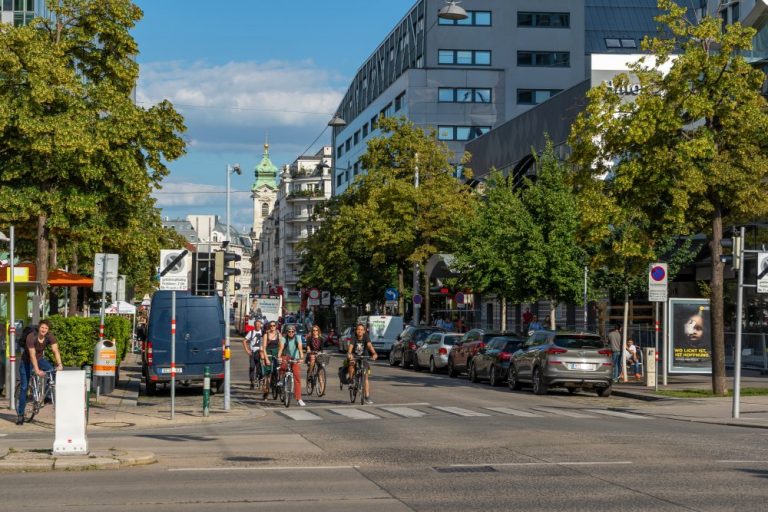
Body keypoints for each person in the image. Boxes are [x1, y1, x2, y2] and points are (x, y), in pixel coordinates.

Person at [17, 320, 63, 425]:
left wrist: (59, 364)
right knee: (24, 387)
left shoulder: (49, 337)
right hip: (26, 361)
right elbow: (32, 355)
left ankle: (47, 395)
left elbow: (55, 350)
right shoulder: (31, 337)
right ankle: (20, 415)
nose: (44, 330)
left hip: (40, 359)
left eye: (46, 328)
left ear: (48, 330)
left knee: (53, 372)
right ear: (39, 327)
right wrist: (37, 370)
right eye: (42, 327)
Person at [345, 323, 378, 404]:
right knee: (351, 363)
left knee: (366, 377)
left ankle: (367, 396)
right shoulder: (353, 336)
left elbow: (369, 345)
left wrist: (374, 353)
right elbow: (351, 345)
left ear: (364, 331)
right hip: (354, 356)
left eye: (361, 330)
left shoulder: (366, 336)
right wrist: (349, 353)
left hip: (364, 357)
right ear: (356, 331)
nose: (360, 331)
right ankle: (351, 380)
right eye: (358, 329)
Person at [277, 325, 305, 406]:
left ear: (295, 332)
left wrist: (301, 358)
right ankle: (281, 380)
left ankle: (299, 399)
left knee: (297, 377)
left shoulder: (298, 338)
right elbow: (281, 349)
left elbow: (300, 349)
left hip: (295, 358)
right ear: (287, 332)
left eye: (292, 331)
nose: (291, 333)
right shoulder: (284, 338)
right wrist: (279, 357)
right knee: (282, 366)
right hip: (286, 356)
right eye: (289, 331)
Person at [260, 321, 282, 399]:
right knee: (268, 374)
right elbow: (264, 348)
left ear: (276, 326)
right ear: (269, 327)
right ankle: (266, 391)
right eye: (271, 326)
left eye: (274, 326)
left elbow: (281, 346)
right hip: (268, 354)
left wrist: (279, 355)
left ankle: (278, 384)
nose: (272, 327)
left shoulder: (279, 335)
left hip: (276, 354)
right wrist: (266, 359)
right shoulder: (266, 335)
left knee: (278, 371)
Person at [241, 319, 264, 389]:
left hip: (260, 352)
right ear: (254, 325)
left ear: (261, 325)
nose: (257, 326)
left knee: (259, 367)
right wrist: (247, 350)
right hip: (253, 353)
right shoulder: (251, 332)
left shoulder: (263, 332)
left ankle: (260, 378)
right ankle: (252, 382)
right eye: (256, 325)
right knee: (252, 367)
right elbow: (244, 341)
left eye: (259, 324)